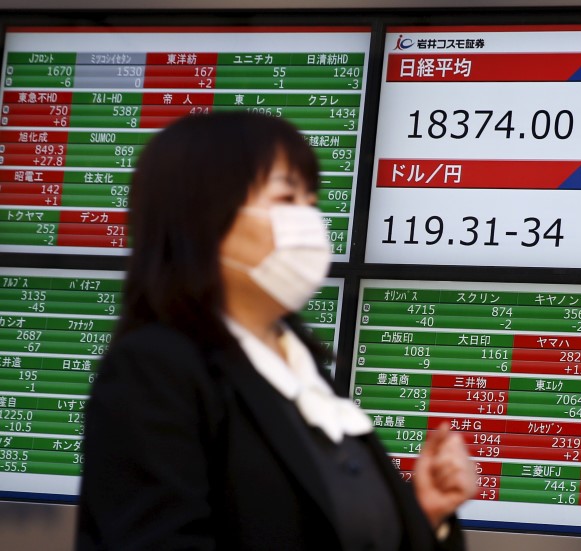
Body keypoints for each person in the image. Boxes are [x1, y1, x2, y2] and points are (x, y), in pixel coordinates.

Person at [76, 112, 476, 550]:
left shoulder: (302, 370)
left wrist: (422, 517)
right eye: (286, 198)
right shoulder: (156, 370)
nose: (308, 219)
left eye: (311, 199)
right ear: (205, 214)